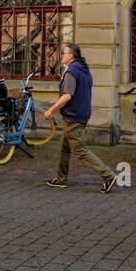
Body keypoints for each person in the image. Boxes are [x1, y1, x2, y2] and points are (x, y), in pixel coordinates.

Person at [44, 43, 116, 193]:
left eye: (64, 53)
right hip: (81, 114)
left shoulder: (71, 72)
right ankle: (61, 179)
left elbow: (67, 95)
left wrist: (51, 110)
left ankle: (108, 175)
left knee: (81, 150)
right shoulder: (84, 70)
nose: (62, 55)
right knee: (64, 147)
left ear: (71, 56)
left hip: (73, 117)